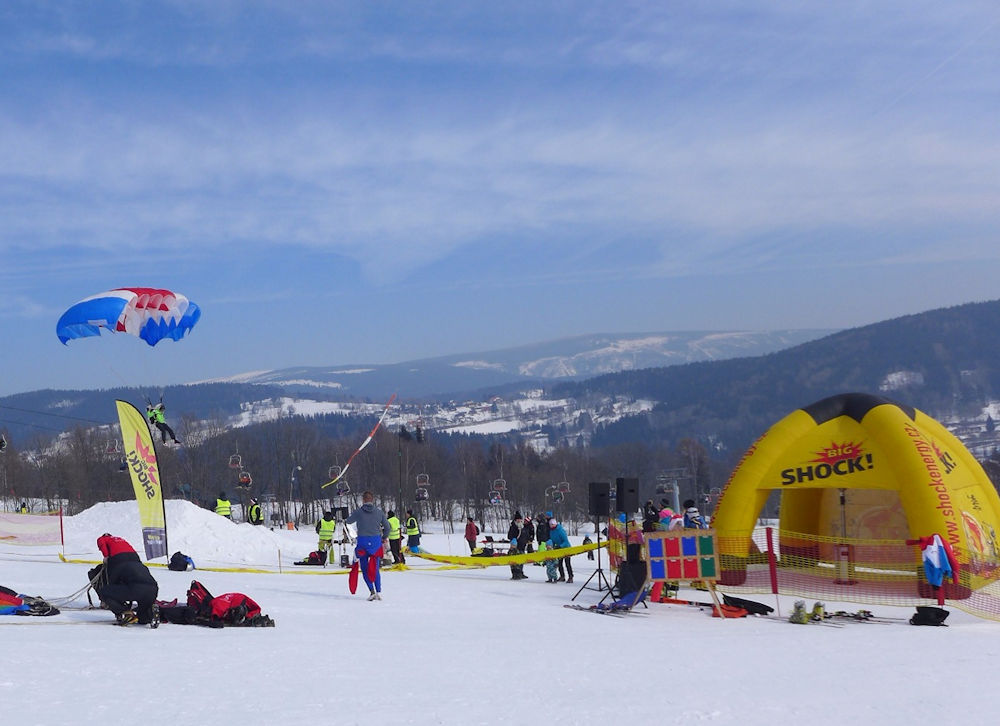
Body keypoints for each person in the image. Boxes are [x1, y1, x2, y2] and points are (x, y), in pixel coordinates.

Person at [93, 533, 159, 625]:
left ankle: (127, 613)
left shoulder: (105, 539)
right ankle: (149, 613)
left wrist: (106, 556)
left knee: (105, 592)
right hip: (153, 589)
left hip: (135, 588)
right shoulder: (123, 542)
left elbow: (112, 583)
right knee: (143, 619)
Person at [345, 491, 391, 600]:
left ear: (363, 500)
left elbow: (348, 521)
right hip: (376, 542)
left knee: (365, 567)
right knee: (375, 567)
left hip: (362, 541)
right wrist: (384, 537)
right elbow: (387, 527)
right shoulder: (379, 512)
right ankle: (378, 591)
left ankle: (371, 591)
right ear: (372, 499)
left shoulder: (358, 512)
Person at [548, 517, 574, 584]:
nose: (551, 526)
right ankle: (562, 576)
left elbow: (566, 541)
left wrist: (560, 546)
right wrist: (552, 546)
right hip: (558, 549)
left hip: (566, 548)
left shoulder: (560, 530)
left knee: (567, 563)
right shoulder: (551, 531)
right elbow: (553, 540)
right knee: (559, 563)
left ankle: (570, 577)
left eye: (552, 524)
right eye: (550, 524)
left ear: (555, 524)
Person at [506, 513, 527, 580]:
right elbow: (509, 536)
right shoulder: (513, 527)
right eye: (518, 519)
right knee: (515, 562)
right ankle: (515, 574)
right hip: (515, 546)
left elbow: (525, 535)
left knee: (521, 561)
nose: (519, 520)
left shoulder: (523, 527)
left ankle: (520, 573)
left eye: (520, 519)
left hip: (522, 546)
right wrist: (513, 540)